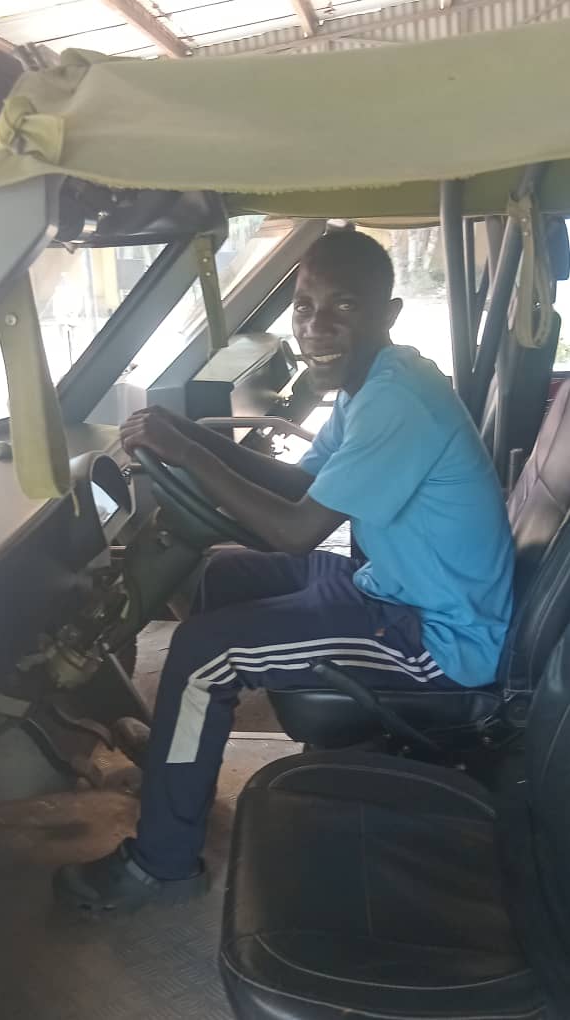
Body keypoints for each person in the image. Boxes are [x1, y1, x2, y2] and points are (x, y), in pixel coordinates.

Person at [55, 229, 514, 912]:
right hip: (390, 587)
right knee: (224, 577)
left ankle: (162, 866)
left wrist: (191, 453)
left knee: (201, 652)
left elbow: (296, 531)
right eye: (303, 306)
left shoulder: (398, 400)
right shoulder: (370, 385)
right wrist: (194, 436)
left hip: (439, 637)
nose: (315, 325)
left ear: (386, 315)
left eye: (343, 306)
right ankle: (183, 767)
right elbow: (301, 482)